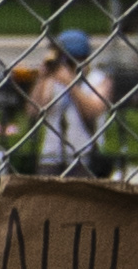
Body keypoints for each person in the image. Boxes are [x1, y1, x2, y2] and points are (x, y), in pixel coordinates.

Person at [26, 30, 114, 178]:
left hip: (84, 156)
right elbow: (32, 111)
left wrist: (70, 83)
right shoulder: (52, 79)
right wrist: (42, 79)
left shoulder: (98, 79)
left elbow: (92, 110)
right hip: (51, 156)